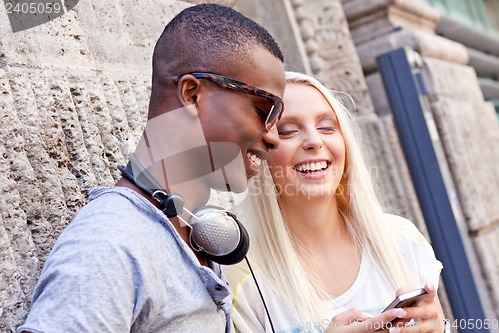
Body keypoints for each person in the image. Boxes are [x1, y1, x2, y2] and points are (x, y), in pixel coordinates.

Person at [18, 4, 286, 333]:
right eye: (265, 109)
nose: (273, 137)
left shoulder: (193, 232)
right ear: (192, 94)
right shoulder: (110, 246)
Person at [227, 71, 446, 333]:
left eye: (327, 127)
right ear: (260, 152)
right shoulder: (241, 278)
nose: (314, 141)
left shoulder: (402, 240)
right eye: (287, 131)